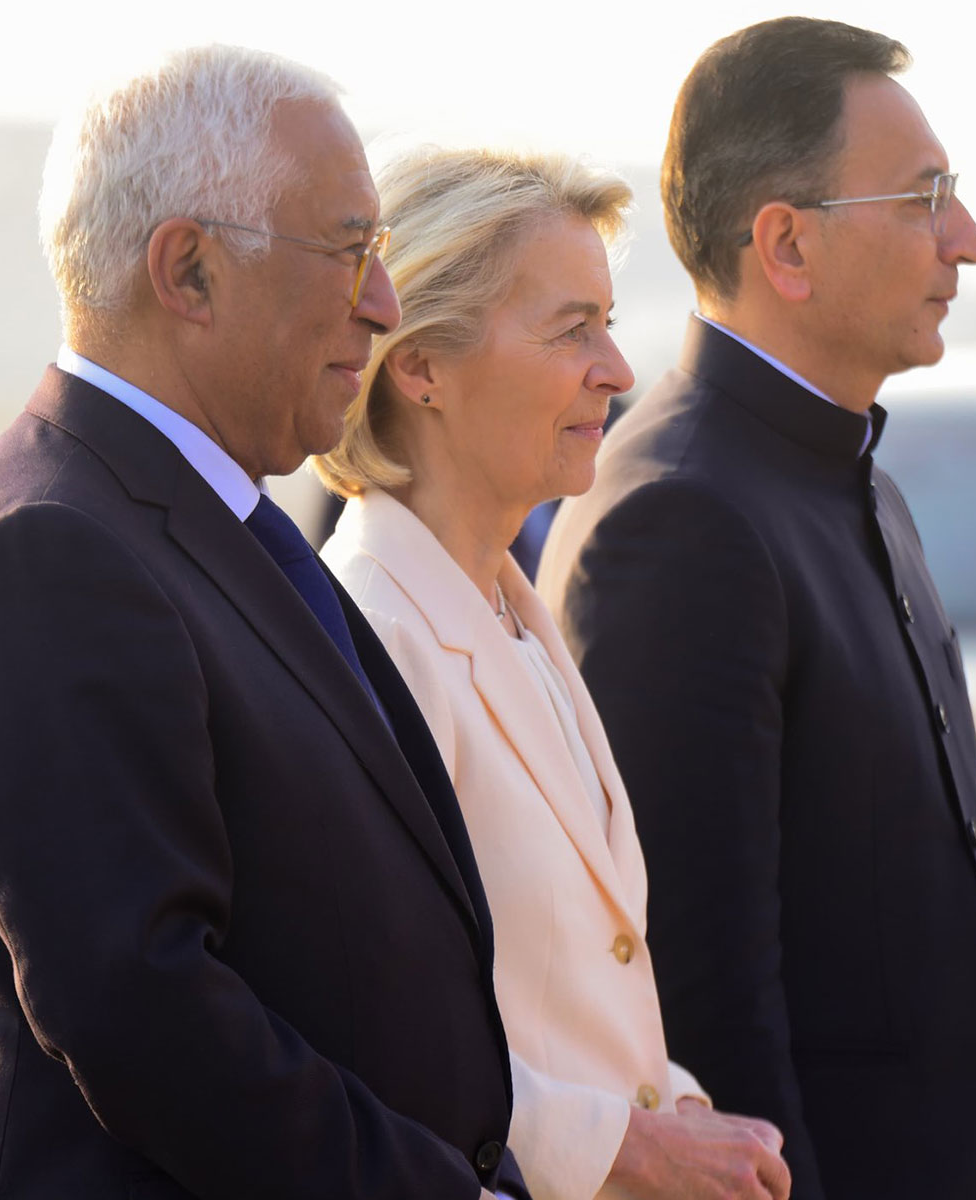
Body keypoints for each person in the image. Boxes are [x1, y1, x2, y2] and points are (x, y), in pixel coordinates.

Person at [0, 46, 527, 1199]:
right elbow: (142, 1013)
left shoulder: (197, 518)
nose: (382, 304)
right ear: (187, 270)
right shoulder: (50, 552)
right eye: (350, 251)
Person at [536, 18, 976, 1200]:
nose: (966, 241)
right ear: (786, 245)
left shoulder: (850, 477)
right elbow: (701, 1007)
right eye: (924, 200)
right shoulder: (681, 520)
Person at [315, 147, 791, 1200]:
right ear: (421, 367)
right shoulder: (370, 636)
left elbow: (581, 990)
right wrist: (631, 1148)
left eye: (609, 325)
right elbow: (366, 1033)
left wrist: (685, 1114)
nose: (618, 370)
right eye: (573, 329)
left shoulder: (515, 612)